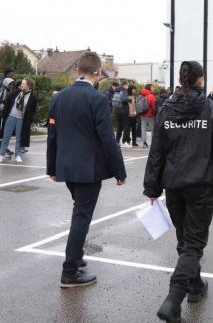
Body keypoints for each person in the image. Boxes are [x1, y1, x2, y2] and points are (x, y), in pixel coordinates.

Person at [143, 61, 213, 322]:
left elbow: (157, 152)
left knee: (186, 240)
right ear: (201, 80)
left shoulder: (167, 109)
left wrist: (152, 187)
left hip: (174, 185)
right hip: (199, 185)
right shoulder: (210, 108)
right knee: (193, 244)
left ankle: (195, 286)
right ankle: (173, 300)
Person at [47, 52, 127, 288]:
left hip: (66, 167)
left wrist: (52, 167)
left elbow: (53, 134)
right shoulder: (97, 99)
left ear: (77, 70)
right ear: (98, 72)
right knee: (81, 216)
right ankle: (69, 271)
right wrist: (119, 171)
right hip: (88, 169)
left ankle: (76, 256)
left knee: (79, 212)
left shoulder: (59, 97)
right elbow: (107, 139)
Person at [0, 77, 37, 163]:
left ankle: (18, 155)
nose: (21, 85)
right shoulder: (16, 92)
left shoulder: (32, 98)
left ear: (29, 86)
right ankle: (1, 154)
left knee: (19, 138)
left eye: (23, 84)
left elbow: (33, 111)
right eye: (21, 83)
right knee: (6, 136)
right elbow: (8, 103)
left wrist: (28, 119)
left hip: (21, 119)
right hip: (11, 116)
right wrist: (4, 115)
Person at [0, 77, 15, 155]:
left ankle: (4, 149)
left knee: (5, 133)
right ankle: (0, 151)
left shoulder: (8, 90)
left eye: (12, 84)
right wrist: (6, 110)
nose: (11, 85)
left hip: (5, 115)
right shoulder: (3, 90)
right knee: (1, 133)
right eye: (10, 84)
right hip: (1, 115)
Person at [138, 83, 157, 148]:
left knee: (143, 128)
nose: (153, 88)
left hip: (142, 113)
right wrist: (155, 114)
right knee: (153, 128)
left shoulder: (141, 95)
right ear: (149, 88)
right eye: (152, 87)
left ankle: (144, 142)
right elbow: (153, 106)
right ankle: (154, 142)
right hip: (150, 114)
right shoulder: (151, 96)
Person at [113, 80, 130, 147]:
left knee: (119, 127)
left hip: (117, 110)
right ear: (125, 85)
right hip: (124, 111)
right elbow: (124, 100)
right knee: (126, 127)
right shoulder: (124, 91)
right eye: (127, 85)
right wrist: (129, 99)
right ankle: (125, 142)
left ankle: (117, 141)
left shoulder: (117, 90)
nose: (128, 87)